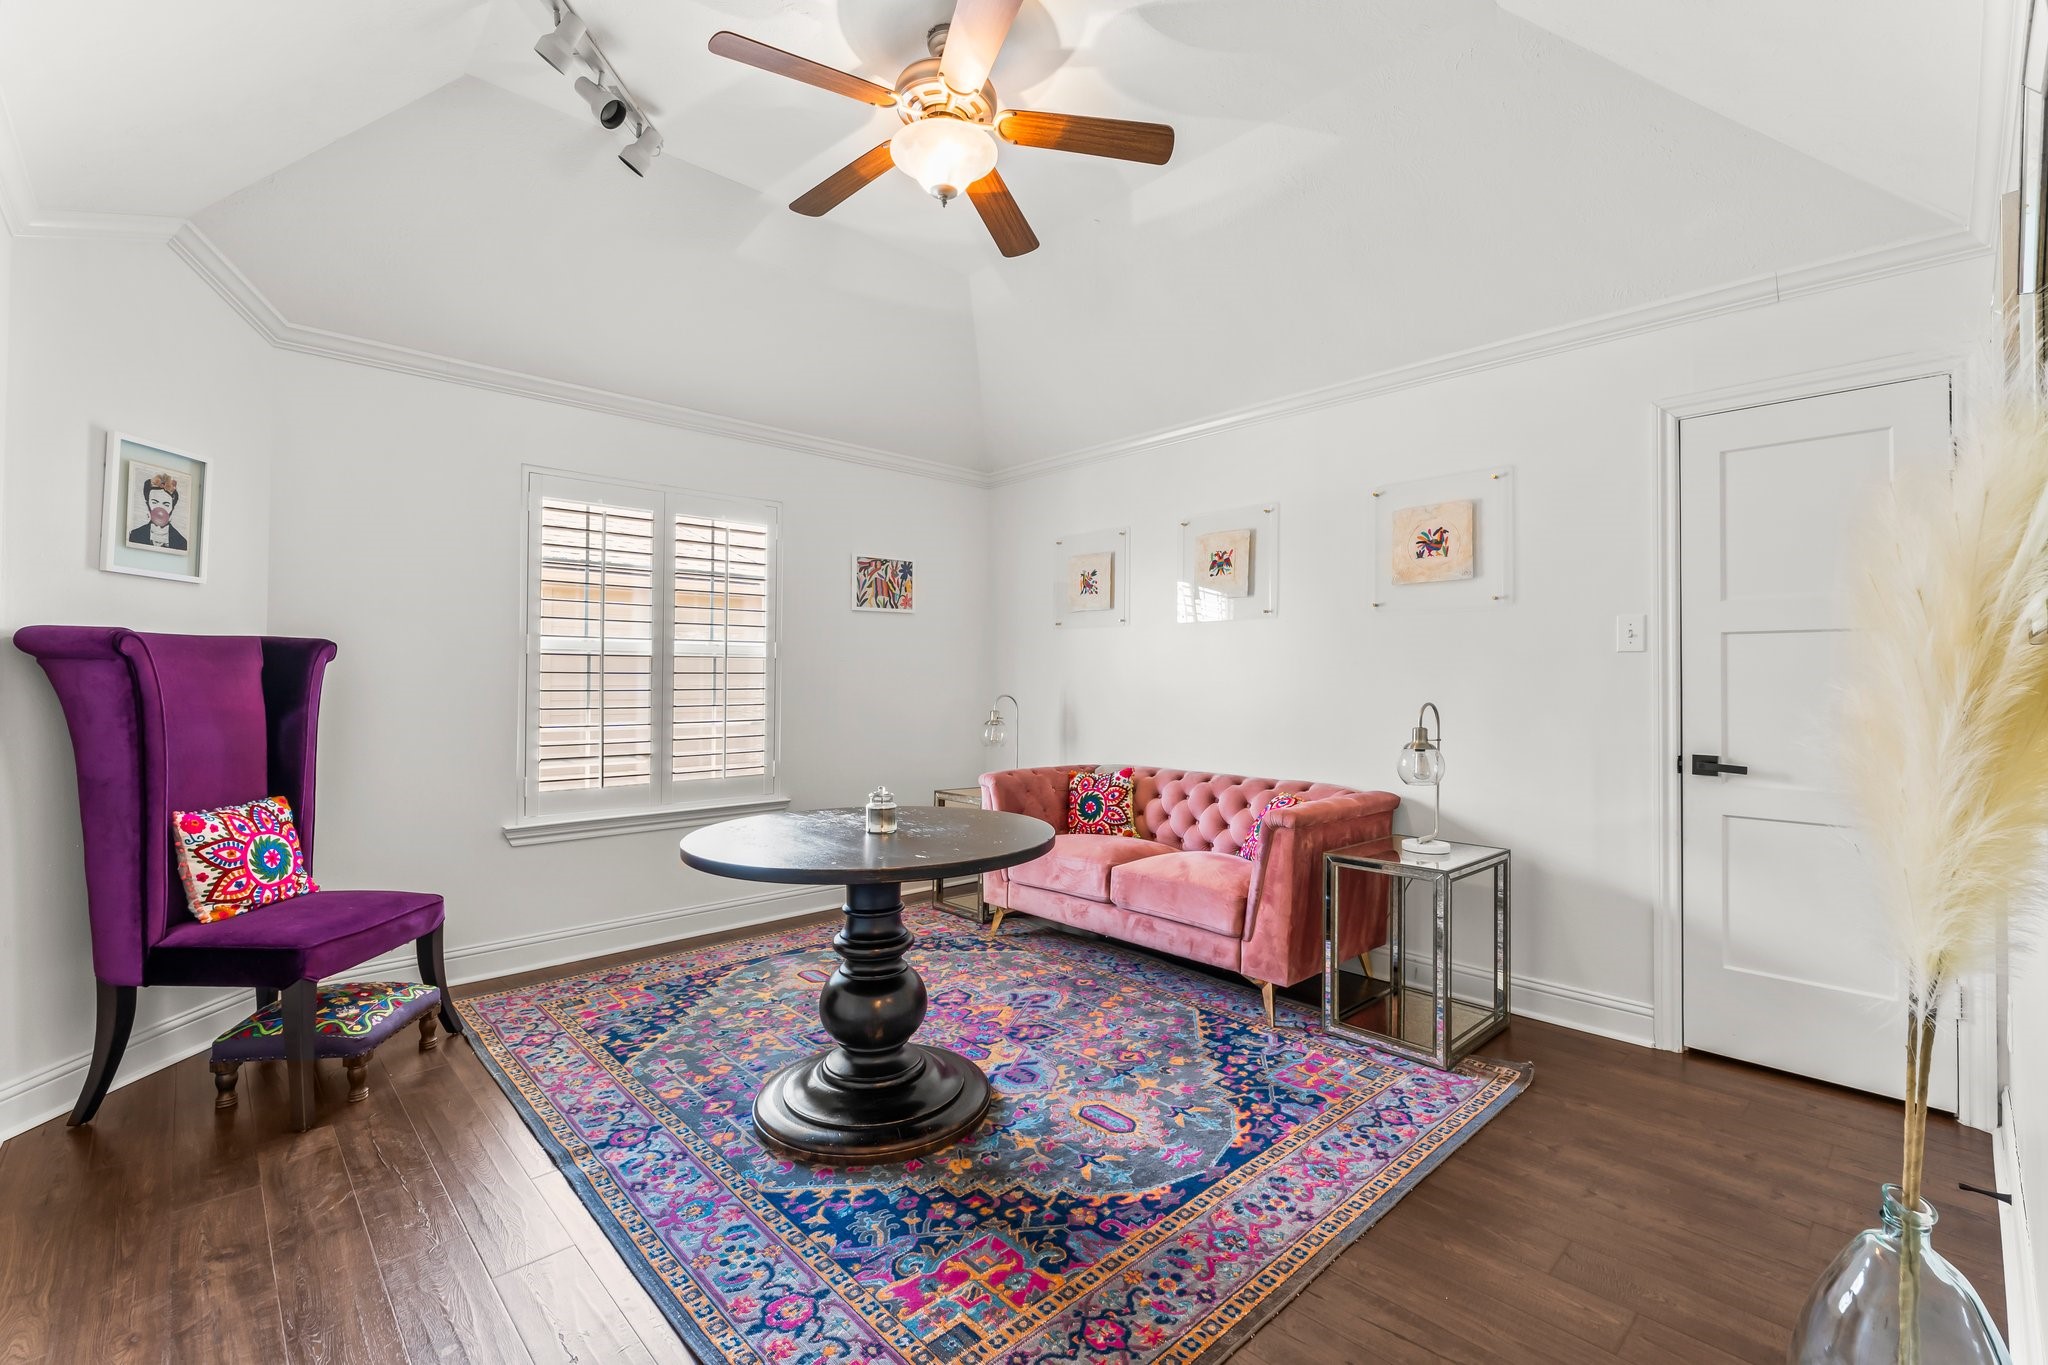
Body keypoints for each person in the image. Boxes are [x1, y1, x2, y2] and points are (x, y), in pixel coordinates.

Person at [128, 471, 188, 552]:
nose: (160, 508)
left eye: (166, 504)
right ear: (147, 503)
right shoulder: (135, 535)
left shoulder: (181, 542)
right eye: (155, 502)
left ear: (172, 508)